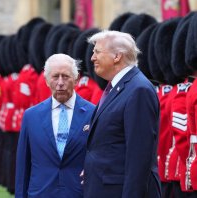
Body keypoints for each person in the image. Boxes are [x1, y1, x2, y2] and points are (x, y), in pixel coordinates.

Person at [83, 30, 161, 198]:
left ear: (117, 56)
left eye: (97, 52)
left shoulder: (138, 89)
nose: (92, 58)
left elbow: (139, 156)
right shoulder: (118, 87)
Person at [15, 53, 95, 198]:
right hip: (41, 193)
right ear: (46, 80)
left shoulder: (93, 113)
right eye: (55, 76)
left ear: (76, 80)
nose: (60, 82)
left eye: (65, 76)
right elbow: (23, 165)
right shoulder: (31, 116)